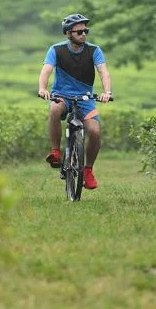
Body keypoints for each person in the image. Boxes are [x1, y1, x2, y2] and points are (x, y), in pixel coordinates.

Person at [38, 13, 113, 190]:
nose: (83, 34)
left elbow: (103, 72)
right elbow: (46, 71)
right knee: (55, 109)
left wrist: (107, 92)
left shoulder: (94, 50)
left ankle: (88, 171)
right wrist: (43, 88)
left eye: (85, 30)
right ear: (68, 33)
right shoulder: (56, 50)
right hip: (62, 95)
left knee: (94, 132)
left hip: (86, 98)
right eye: (79, 32)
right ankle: (56, 152)